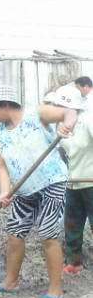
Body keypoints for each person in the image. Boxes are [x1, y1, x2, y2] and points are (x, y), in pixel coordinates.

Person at [0, 85, 76, 298]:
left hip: (52, 183)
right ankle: (10, 282)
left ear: (5, 105)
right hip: (23, 191)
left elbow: (68, 113)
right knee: (14, 234)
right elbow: (2, 166)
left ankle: (55, 289)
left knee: (48, 235)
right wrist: (5, 191)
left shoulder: (37, 114)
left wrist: (66, 126)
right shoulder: (1, 132)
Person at [49, 85, 93, 275]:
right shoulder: (61, 127)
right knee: (72, 224)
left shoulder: (88, 120)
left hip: (91, 181)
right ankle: (74, 262)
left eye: (59, 106)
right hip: (73, 182)